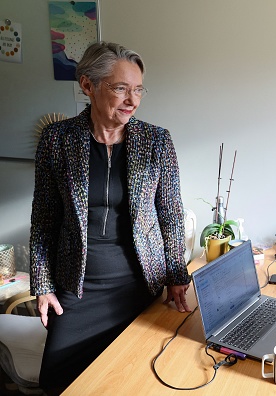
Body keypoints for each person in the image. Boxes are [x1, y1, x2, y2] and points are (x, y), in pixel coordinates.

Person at [29, 41, 192, 393]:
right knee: (58, 381)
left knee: (130, 380)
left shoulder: (156, 141)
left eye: (137, 90)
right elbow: (43, 220)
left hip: (138, 286)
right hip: (77, 288)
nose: (132, 100)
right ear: (88, 85)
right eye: (120, 88)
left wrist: (177, 274)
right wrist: (42, 285)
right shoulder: (57, 140)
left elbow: (171, 214)